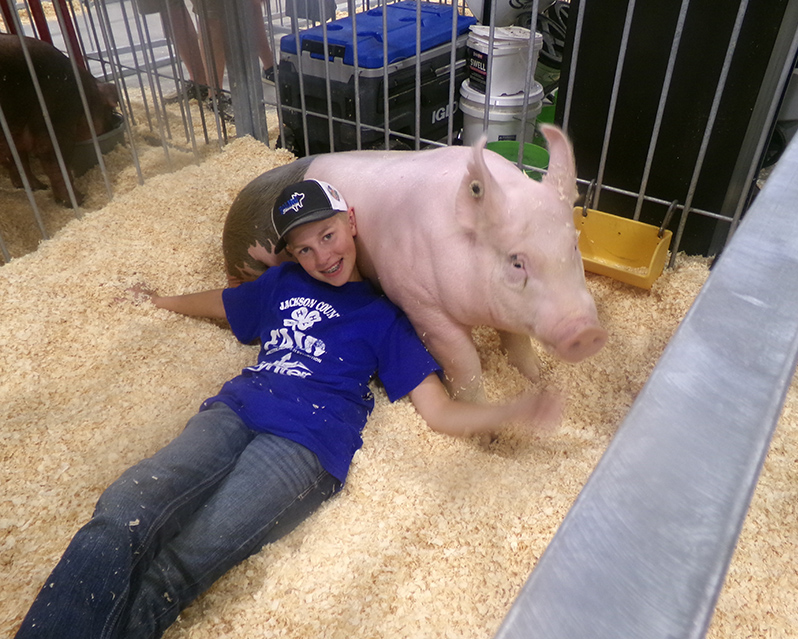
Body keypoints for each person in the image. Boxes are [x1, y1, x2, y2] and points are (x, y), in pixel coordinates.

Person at [14, 179, 559, 639]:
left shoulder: (385, 315)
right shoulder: (281, 282)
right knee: (126, 508)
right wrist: (159, 301)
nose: (323, 256)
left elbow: (437, 412)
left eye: (328, 235)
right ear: (291, 255)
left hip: (303, 444)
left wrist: (504, 413)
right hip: (234, 410)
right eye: (304, 248)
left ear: (352, 222)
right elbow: (226, 306)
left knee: (183, 562)